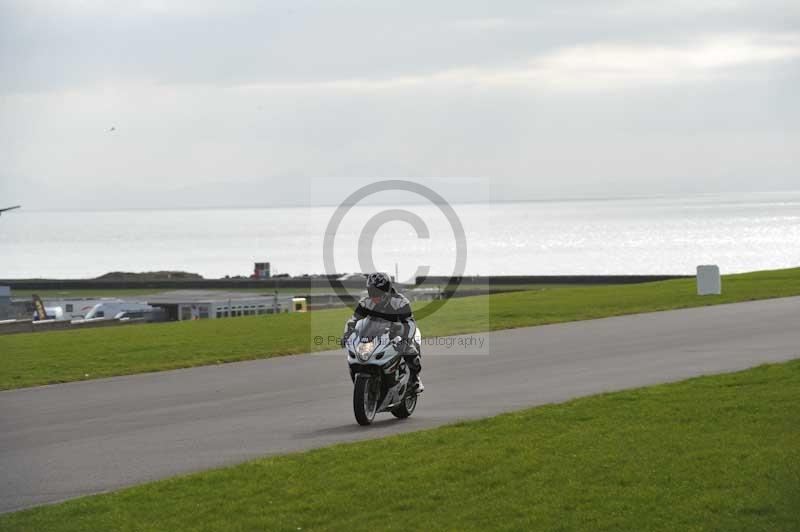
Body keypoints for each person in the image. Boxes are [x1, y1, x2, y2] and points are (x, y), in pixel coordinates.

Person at [342, 272, 423, 393]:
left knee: (410, 350)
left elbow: (410, 323)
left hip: (399, 333)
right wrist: (347, 334)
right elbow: (353, 320)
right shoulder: (365, 303)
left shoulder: (400, 302)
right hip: (375, 334)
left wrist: (406, 340)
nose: (374, 296)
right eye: (371, 292)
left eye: (377, 292)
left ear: (387, 290)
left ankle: (415, 379)